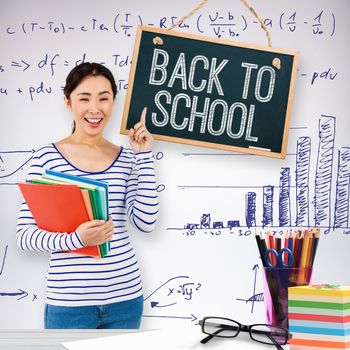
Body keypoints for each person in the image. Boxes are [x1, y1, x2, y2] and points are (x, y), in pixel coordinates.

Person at [16, 62, 159, 329]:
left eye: (104, 98)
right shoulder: (46, 159)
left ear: (114, 102)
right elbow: (25, 237)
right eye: (84, 98)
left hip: (125, 299)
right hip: (69, 305)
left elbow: (146, 223)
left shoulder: (128, 157)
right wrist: (78, 239)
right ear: (68, 102)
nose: (95, 109)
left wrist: (144, 157)